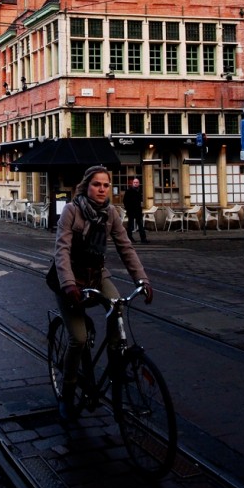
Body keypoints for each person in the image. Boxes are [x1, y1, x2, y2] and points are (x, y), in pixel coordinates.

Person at [48, 165, 153, 421]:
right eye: (97, 184)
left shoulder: (111, 213)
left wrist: (142, 279)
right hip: (69, 280)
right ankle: (68, 390)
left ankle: (117, 365)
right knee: (79, 339)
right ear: (87, 186)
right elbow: (61, 250)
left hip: (96, 276)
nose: (102, 189)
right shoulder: (71, 211)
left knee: (117, 306)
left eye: (106, 185)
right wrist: (69, 284)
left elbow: (125, 247)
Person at [123, 177, 147, 244]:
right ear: (132, 183)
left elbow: (139, 201)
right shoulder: (129, 191)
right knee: (130, 225)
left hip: (138, 211)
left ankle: (143, 239)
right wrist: (128, 208)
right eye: (134, 182)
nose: (136, 184)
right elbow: (125, 201)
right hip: (131, 211)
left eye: (137, 182)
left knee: (140, 225)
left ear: (139, 183)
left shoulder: (139, 191)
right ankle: (129, 238)